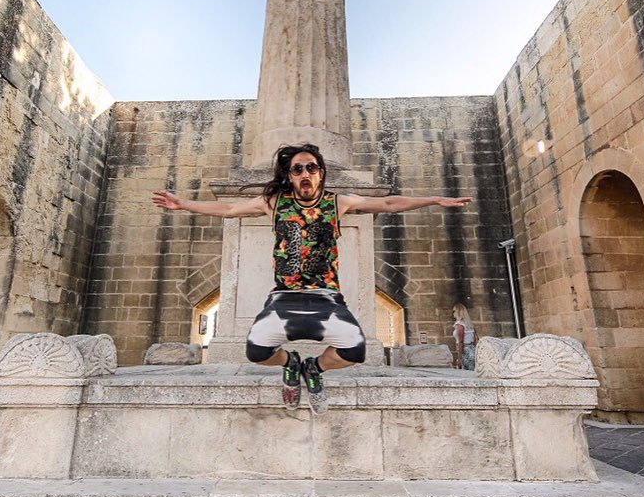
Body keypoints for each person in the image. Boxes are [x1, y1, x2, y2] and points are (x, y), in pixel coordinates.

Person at [152, 143, 472, 414]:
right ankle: (292, 362)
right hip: (284, 299)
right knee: (257, 351)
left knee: (355, 350)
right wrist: (184, 205)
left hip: (326, 299)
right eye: (298, 169)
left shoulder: (338, 202)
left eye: (311, 168)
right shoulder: (275, 203)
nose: (305, 174)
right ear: (289, 176)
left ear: (321, 172)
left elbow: (388, 203)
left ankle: (314, 367)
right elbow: (230, 208)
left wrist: (433, 200)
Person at [452, 303, 476, 370]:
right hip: (472, 349)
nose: (453, 313)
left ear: (458, 312)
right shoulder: (469, 324)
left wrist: (459, 358)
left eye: (454, 311)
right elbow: (475, 339)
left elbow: (461, 341)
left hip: (464, 350)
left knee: (464, 372)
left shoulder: (460, 325)